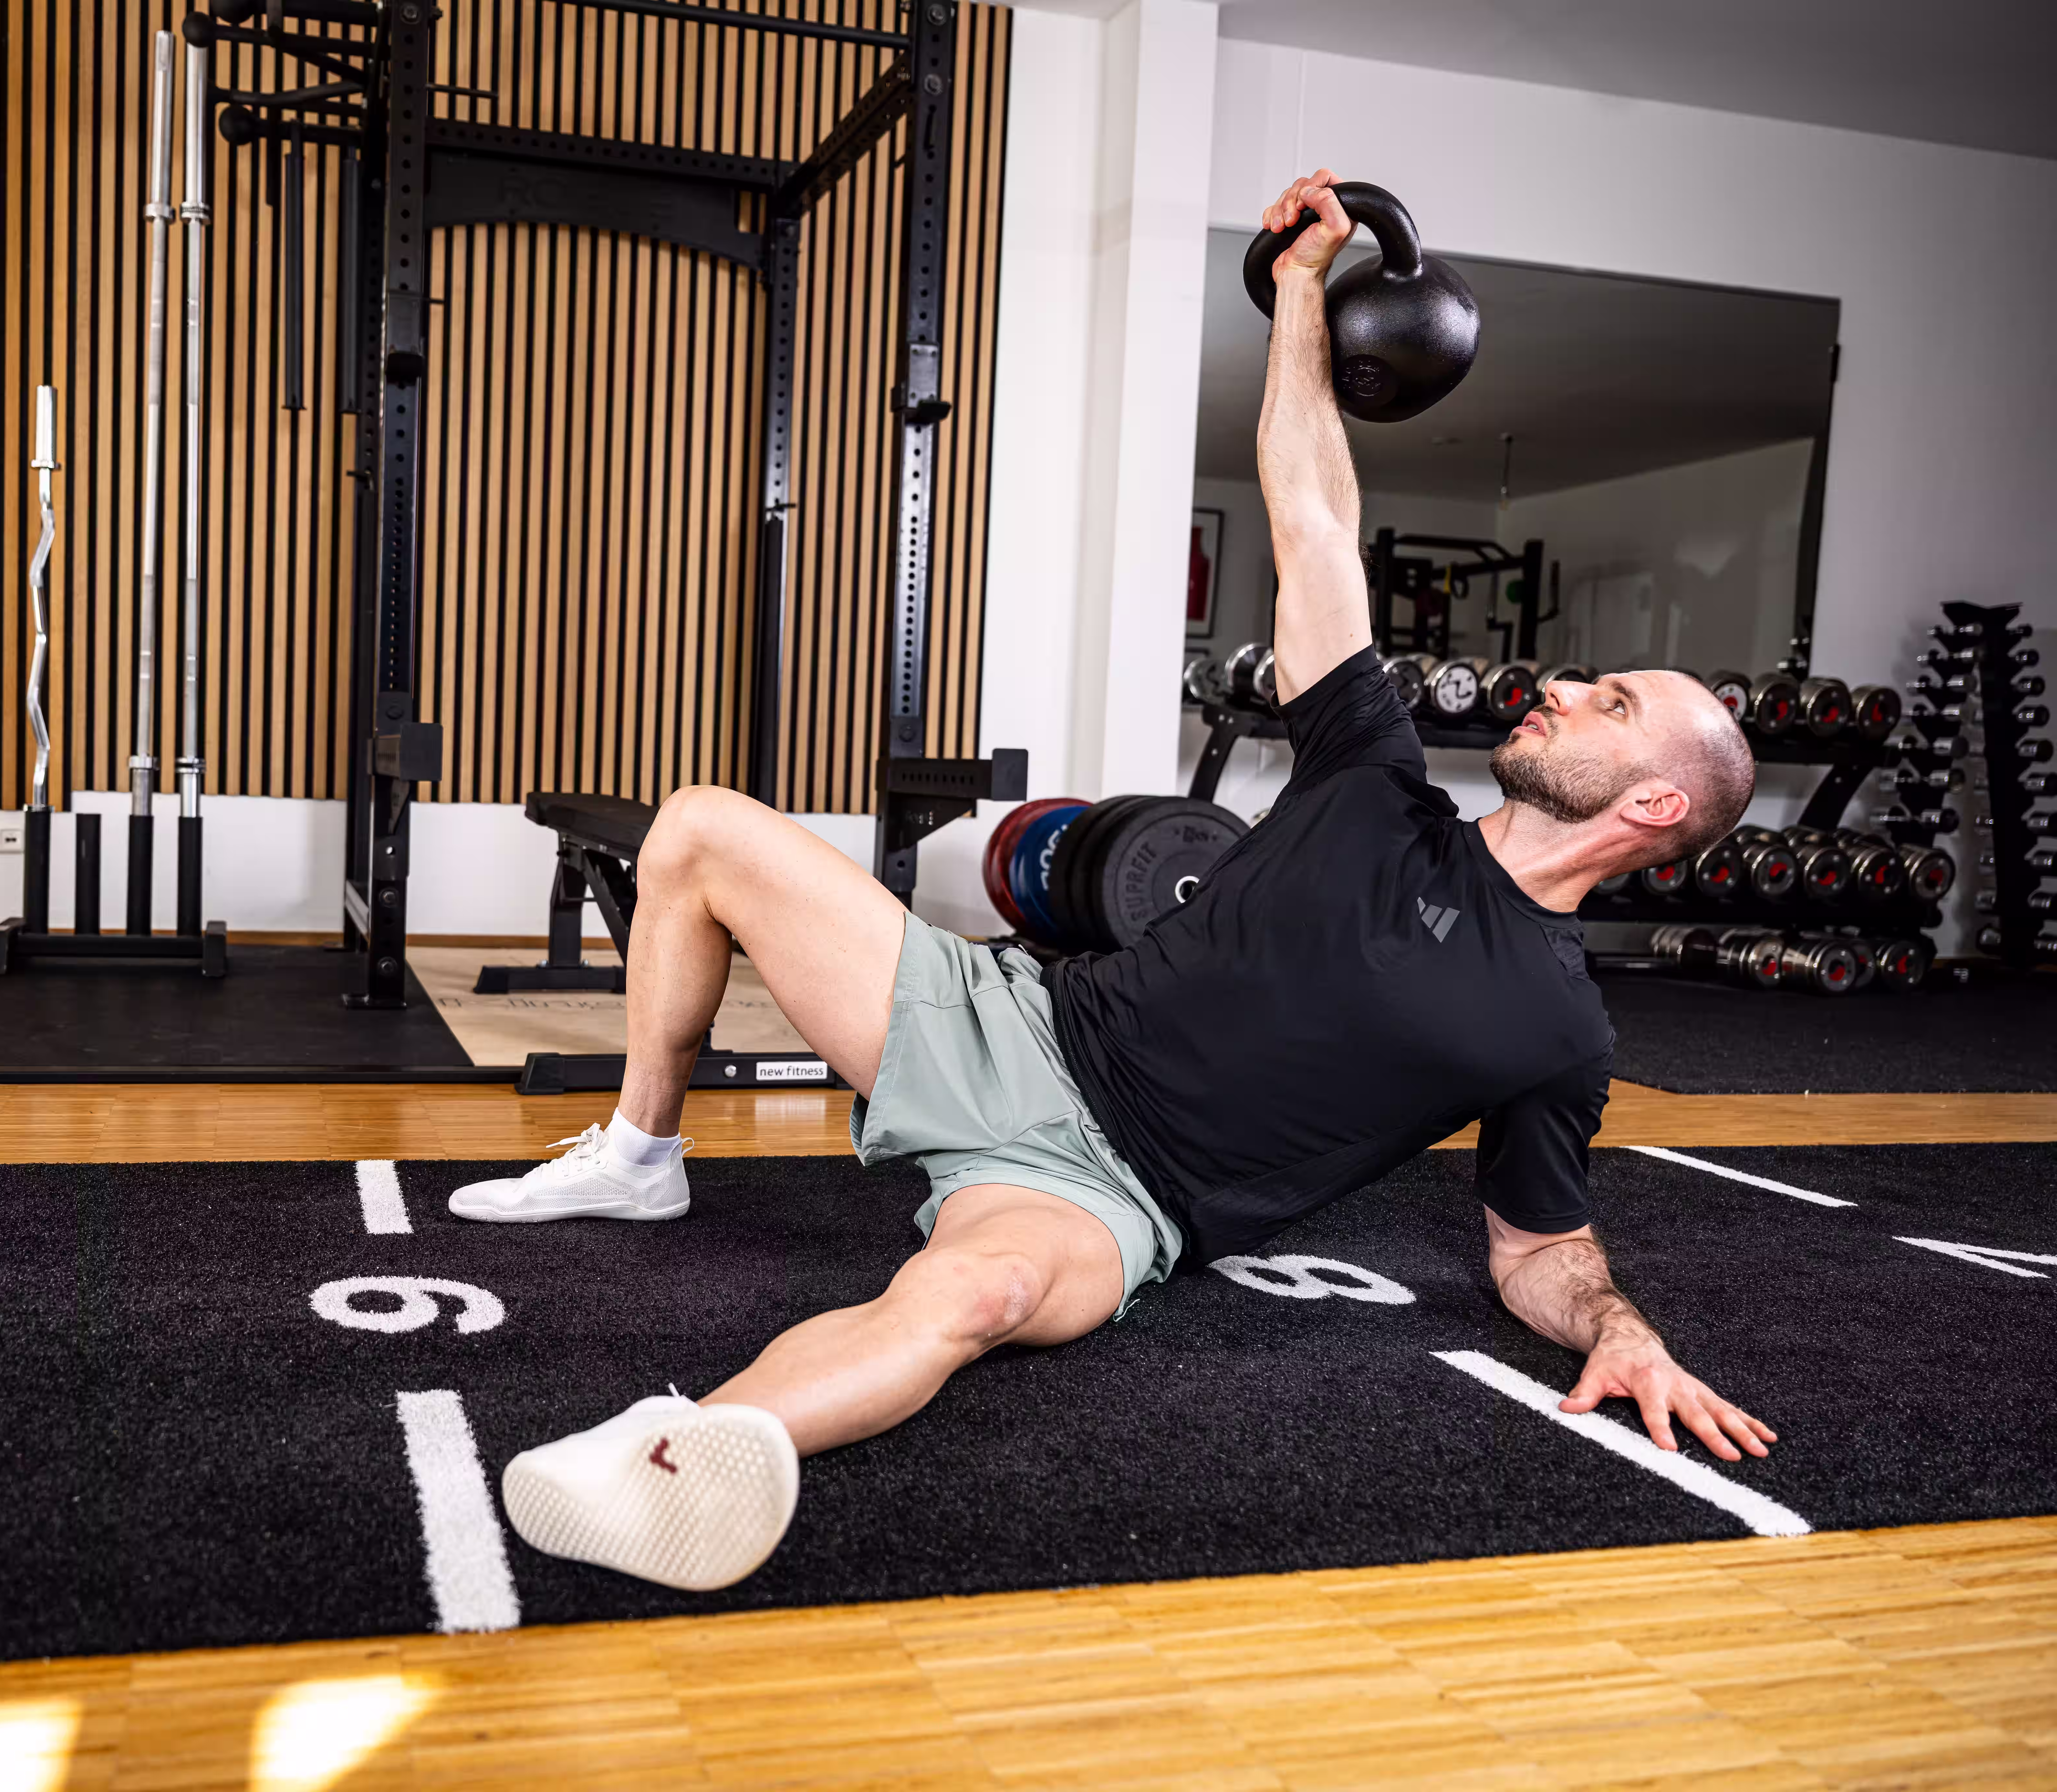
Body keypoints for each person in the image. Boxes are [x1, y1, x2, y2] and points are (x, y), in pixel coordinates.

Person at [453, 170, 1774, 1594]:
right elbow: (1316, 517)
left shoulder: (1559, 1027)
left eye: (1613, 700)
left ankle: (676, 1450)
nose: (1569, 687)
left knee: (978, 1291)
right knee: (703, 827)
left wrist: (1619, 1326)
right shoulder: (1374, 777)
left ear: (1653, 802)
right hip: (1009, 1021)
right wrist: (1298, 296)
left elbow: (1538, 1246)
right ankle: (641, 1156)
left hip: (1109, 1191)